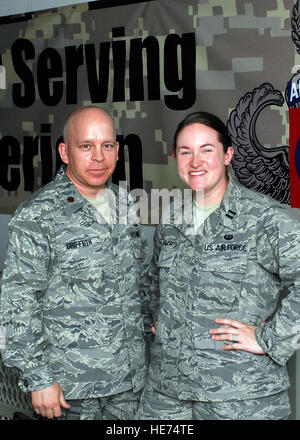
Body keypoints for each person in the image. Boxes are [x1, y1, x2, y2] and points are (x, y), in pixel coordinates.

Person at [136, 111, 300, 420]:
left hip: (241, 398)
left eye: (206, 150)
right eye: (186, 152)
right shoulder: (170, 221)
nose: (195, 161)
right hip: (168, 394)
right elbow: (153, 285)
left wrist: (271, 339)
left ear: (227, 155)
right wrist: (159, 321)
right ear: (175, 158)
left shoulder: (263, 218)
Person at [0, 106, 149, 420]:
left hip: (130, 384)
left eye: (107, 145)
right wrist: (38, 378)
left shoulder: (123, 203)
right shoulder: (38, 215)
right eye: (86, 146)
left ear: (117, 151)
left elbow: (138, 282)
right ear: (65, 152)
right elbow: (18, 303)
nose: (98, 156)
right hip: (71, 390)